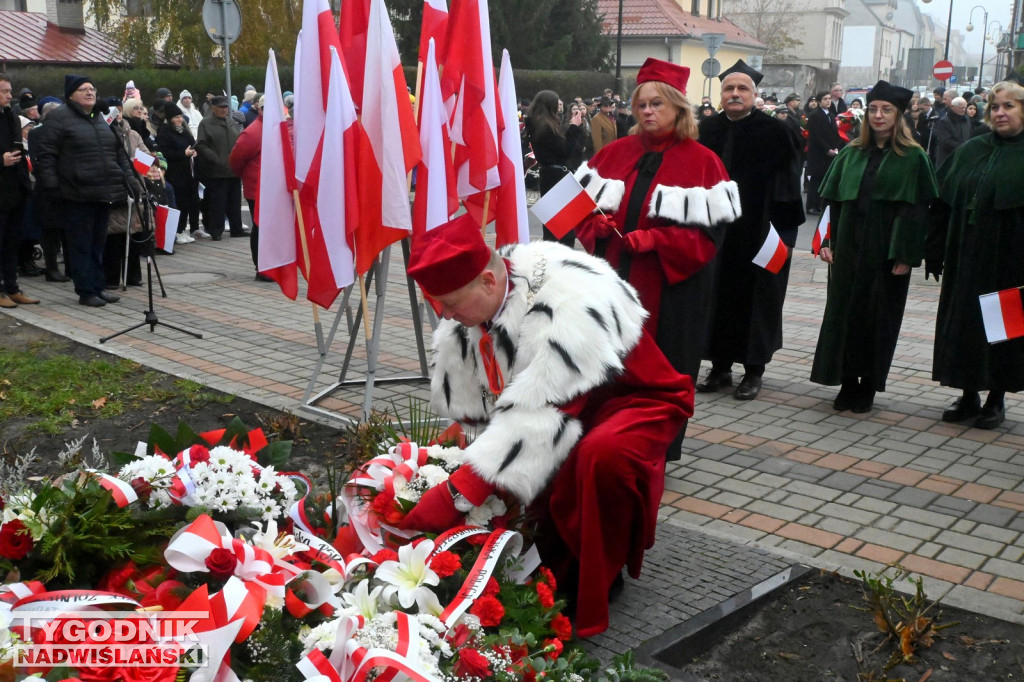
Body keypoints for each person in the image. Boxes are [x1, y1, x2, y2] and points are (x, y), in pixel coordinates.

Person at [400, 213, 693, 638]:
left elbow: (541, 416)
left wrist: (456, 493)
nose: (443, 314)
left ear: (487, 280)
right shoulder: (470, 313)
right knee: (533, 479)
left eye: (451, 302)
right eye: (436, 303)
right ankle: (545, 561)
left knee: (596, 456)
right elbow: (487, 412)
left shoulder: (569, 299)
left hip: (633, 399)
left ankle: (593, 582)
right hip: (563, 407)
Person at [572, 58, 739, 402]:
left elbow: (709, 240)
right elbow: (574, 212)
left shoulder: (704, 162)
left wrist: (657, 239)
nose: (647, 112)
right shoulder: (613, 153)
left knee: (658, 380)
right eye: (641, 105)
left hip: (670, 296)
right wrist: (594, 226)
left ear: (678, 107)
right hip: (612, 286)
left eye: (656, 103)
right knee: (606, 378)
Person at [811, 81, 939, 412]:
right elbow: (834, 203)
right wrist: (826, 241)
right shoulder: (852, 153)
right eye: (873, 109)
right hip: (849, 248)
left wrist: (906, 255)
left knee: (877, 317)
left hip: (886, 252)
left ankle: (868, 383)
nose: (878, 115)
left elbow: (918, 211)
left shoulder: (914, 157)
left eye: (886, 110)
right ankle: (846, 380)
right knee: (844, 314)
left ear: (899, 116)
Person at [697, 59, 805, 401]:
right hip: (718, 234)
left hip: (760, 232)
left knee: (758, 301)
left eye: (742, 88)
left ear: (754, 95)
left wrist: (783, 236)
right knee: (717, 297)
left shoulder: (775, 131)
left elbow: (789, 185)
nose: (735, 93)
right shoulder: (706, 130)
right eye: (729, 88)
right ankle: (720, 367)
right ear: (721, 94)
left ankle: (754, 370)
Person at [926, 80, 1024, 430]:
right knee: (964, 324)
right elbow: (941, 202)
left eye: (1009, 106)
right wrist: (934, 250)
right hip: (965, 256)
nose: (999, 112)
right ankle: (967, 394)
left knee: (1003, 329)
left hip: (1010, 261)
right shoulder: (971, 150)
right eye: (995, 106)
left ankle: (996, 399)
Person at [32, 75, 141, 307]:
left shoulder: (98, 118)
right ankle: (85, 290)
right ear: (71, 94)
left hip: (103, 192)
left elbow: (118, 155)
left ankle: (98, 286)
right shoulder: (59, 119)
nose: (90, 93)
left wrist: (132, 183)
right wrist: (52, 186)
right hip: (75, 194)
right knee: (80, 245)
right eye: (84, 89)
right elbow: (46, 156)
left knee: (97, 244)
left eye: (92, 89)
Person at [525, 90, 584, 246]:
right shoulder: (545, 127)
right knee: (563, 230)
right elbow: (564, 150)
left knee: (554, 227)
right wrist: (574, 127)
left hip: (549, 175)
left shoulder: (537, 123)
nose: (560, 107)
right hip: (556, 176)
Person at [0, 76, 39, 309]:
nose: (9, 95)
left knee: (11, 242)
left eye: (9, 91)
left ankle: (12, 287)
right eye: (4, 91)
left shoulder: (12, 117)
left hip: (15, 187)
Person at [194, 95, 246, 241]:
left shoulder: (230, 122)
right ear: (213, 108)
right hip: (216, 171)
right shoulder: (206, 123)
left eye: (226, 107)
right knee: (218, 203)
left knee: (234, 202)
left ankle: (237, 228)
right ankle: (216, 231)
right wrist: (215, 158)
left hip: (233, 170)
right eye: (221, 107)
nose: (224, 110)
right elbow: (201, 144)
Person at [228, 95, 267, 278]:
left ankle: (272, 264)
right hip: (258, 188)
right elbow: (236, 159)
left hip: (273, 188)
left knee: (270, 227)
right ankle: (261, 268)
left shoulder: (274, 128)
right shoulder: (253, 132)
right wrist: (245, 176)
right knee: (260, 227)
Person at [157, 102, 200, 245]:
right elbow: (164, 153)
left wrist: (194, 151)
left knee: (188, 201)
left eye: (180, 116)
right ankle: (176, 231)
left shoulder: (184, 131)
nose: (179, 119)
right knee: (178, 202)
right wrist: (183, 153)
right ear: (169, 118)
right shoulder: (164, 132)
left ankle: (182, 230)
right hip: (174, 172)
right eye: (176, 117)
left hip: (187, 171)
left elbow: (192, 142)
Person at [805, 90, 843, 214]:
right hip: (818, 154)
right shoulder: (814, 116)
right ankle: (811, 206)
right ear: (819, 101)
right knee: (816, 180)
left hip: (830, 153)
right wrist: (827, 149)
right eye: (825, 99)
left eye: (829, 99)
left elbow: (835, 134)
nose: (828, 101)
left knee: (824, 179)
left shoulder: (831, 115)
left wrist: (836, 147)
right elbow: (816, 136)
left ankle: (820, 204)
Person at [932, 96, 971, 168]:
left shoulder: (967, 119)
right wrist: (963, 146)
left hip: (963, 155)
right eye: (961, 108)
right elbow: (945, 140)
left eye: (965, 107)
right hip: (948, 156)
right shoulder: (945, 121)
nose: (963, 110)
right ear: (953, 107)